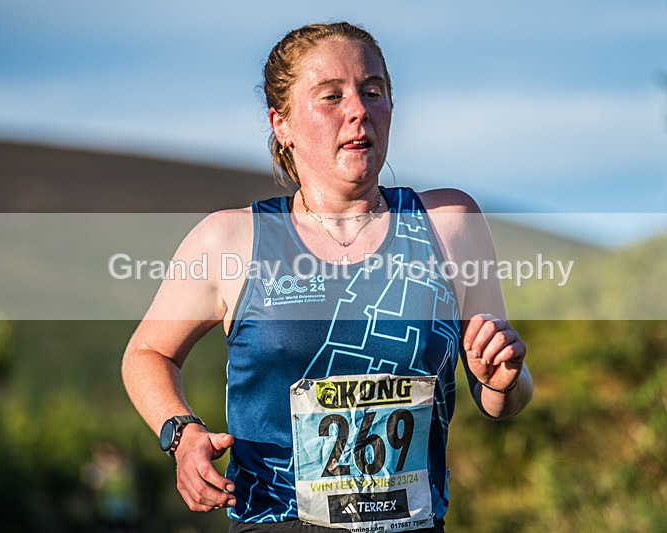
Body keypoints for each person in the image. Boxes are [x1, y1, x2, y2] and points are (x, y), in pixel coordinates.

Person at [121, 22, 532, 533]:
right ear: (282, 124)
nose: (358, 110)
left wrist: (503, 380)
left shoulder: (450, 224)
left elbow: (500, 396)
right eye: (331, 96)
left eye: (373, 91)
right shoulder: (230, 239)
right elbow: (146, 354)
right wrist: (181, 434)